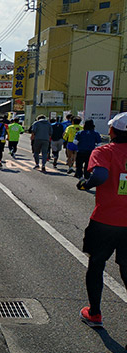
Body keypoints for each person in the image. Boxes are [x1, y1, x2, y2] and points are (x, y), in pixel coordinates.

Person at [75, 112, 127, 328]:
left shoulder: (104, 151)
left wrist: (85, 184)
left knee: (96, 265)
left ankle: (94, 314)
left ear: (112, 131)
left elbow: (100, 176)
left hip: (106, 221)